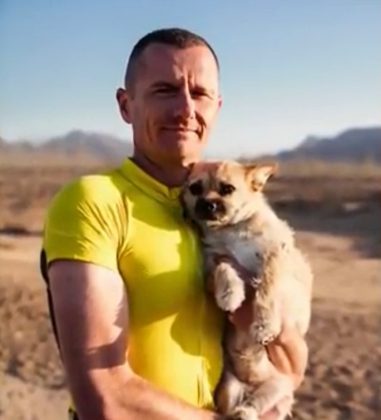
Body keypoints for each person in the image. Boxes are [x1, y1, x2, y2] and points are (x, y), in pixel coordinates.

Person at [40, 28, 308, 420]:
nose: (185, 109)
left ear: (217, 106)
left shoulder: (228, 215)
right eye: (165, 90)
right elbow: (103, 395)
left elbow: (291, 367)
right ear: (126, 104)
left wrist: (269, 325)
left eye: (199, 94)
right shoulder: (94, 201)